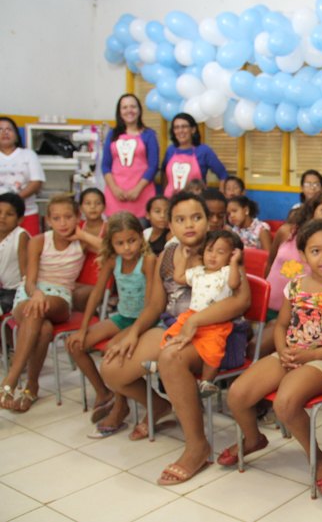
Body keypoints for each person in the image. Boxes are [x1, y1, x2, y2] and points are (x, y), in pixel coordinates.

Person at [98, 192, 250, 485]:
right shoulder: (166, 254)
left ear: (209, 220)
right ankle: (160, 405)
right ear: (170, 224)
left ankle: (197, 446)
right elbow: (155, 304)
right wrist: (132, 333)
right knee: (113, 368)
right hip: (174, 328)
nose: (189, 225)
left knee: (170, 357)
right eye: (180, 219)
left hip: (220, 335)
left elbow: (240, 302)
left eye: (197, 217)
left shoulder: (222, 248)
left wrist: (194, 321)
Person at [219, 219, 322, 495]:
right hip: (289, 354)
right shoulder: (294, 285)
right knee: (237, 394)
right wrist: (283, 349)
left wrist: (313, 355)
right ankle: (253, 439)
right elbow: (282, 325)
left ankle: (317, 457)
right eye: (316, 251)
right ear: (304, 254)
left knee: (285, 403)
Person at [0, 195, 98, 412]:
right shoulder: (38, 241)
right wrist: (35, 293)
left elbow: (110, 250)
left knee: (38, 310)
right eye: (57, 218)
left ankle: (11, 379)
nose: (63, 223)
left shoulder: (80, 241)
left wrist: (83, 234)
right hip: (29, 295)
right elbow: (30, 279)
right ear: (48, 220)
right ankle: (30, 388)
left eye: (68, 217)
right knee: (42, 327)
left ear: (77, 218)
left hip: (60, 297)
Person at [66, 212, 155, 434]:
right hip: (122, 316)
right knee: (75, 344)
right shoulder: (112, 260)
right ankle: (104, 393)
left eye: (132, 241)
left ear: (141, 239)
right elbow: (96, 294)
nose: (127, 248)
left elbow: (152, 303)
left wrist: (136, 331)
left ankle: (119, 405)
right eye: (120, 243)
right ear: (111, 244)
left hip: (143, 321)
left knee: (111, 353)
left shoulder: (148, 261)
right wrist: (83, 328)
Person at [166, 229, 243, 396]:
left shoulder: (227, 272)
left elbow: (235, 283)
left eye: (220, 252)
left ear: (230, 255)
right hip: (192, 315)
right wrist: (185, 258)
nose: (213, 256)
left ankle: (207, 381)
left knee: (214, 349)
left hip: (216, 322)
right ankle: (159, 362)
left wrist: (235, 263)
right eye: (209, 250)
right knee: (172, 334)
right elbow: (178, 277)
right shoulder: (198, 271)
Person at [264, 188, 322, 332]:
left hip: (299, 315)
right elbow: (269, 264)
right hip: (266, 305)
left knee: (260, 346)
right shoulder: (287, 232)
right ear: (313, 210)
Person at [101, 94, 159, 217]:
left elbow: (153, 167)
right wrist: (115, 189)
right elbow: (105, 166)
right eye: (125, 107)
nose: (129, 111)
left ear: (139, 110)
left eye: (133, 107)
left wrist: (137, 189)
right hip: (115, 195)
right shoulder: (112, 134)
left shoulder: (149, 134)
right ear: (119, 112)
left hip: (142, 193)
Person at [161, 113, 228, 198]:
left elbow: (223, 175)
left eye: (184, 126)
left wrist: (221, 198)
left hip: (195, 203)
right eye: (176, 127)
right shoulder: (170, 150)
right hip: (170, 202)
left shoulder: (204, 151)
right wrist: (165, 193)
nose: (180, 130)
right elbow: (164, 174)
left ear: (193, 129)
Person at [0, 116, 45, 235]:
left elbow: (36, 182)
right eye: (0, 129)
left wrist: (15, 201)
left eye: (9, 129)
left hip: (27, 212)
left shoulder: (28, 155)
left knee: (29, 249)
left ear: (16, 135)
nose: (5, 132)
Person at [0, 193, 29, 315]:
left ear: (20, 219)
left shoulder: (20, 236)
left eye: (9, 214)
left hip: (14, 291)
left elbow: (25, 273)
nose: (2, 217)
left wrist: (25, 296)